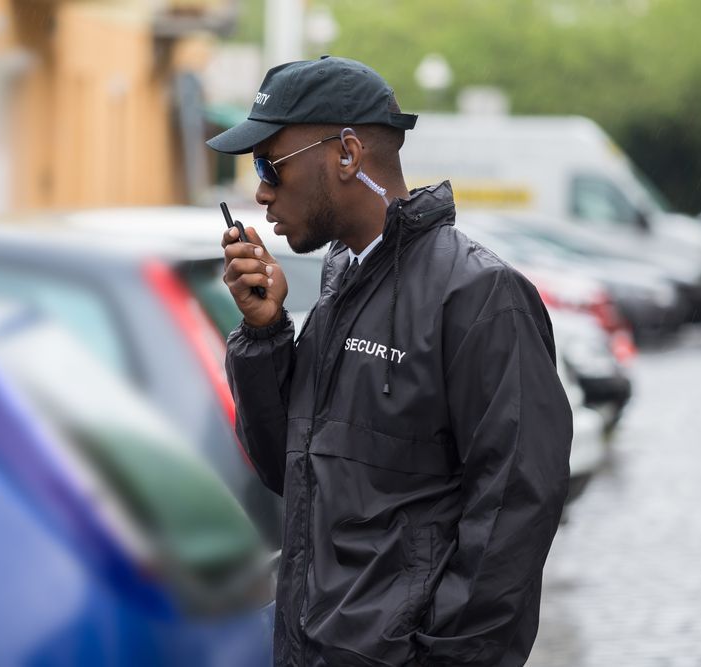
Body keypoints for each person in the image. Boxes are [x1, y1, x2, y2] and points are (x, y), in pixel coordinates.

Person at [207, 56, 572, 666]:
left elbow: (515, 511)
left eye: (270, 162)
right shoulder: (341, 287)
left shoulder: (478, 295)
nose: (262, 189)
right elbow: (286, 470)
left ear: (347, 154)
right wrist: (266, 334)